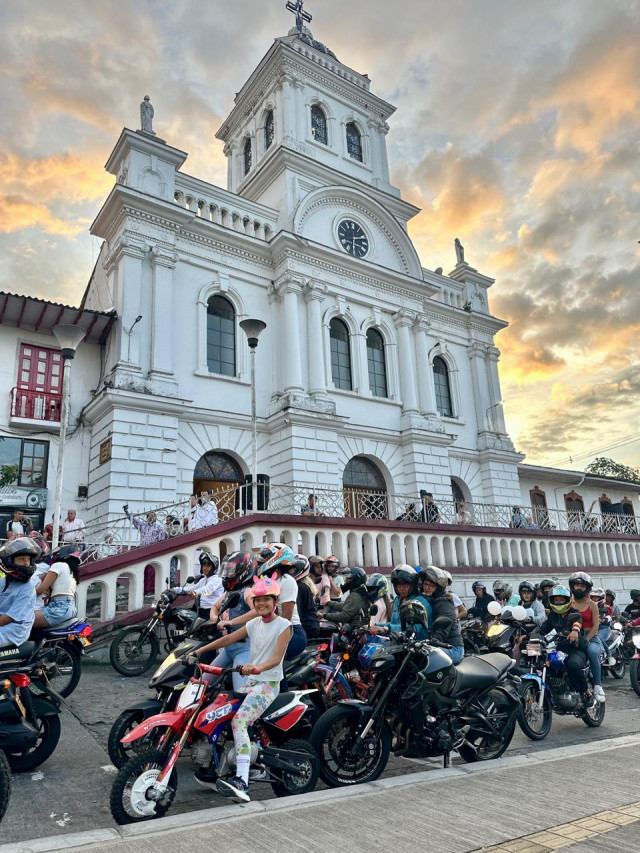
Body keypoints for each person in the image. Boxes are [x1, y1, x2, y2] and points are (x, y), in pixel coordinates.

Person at [192, 574, 292, 803]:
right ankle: (218, 769)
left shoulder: (283, 626)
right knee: (220, 710)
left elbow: (276, 659)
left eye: (266, 600)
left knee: (239, 722)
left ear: (275, 601)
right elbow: (228, 641)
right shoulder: (253, 623)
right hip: (252, 683)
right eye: (257, 600)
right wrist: (196, 652)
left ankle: (243, 782)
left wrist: (256, 667)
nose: (261, 604)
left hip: (267, 684)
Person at [203, 551, 257, 692]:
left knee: (241, 692)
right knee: (202, 684)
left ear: (243, 571)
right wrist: (214, 618)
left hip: (244, 648)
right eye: (226, 570)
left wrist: (231, 622)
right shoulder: (228, 593)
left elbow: (256, 612)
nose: (227, 574)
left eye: (231, 570)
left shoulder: (248, 591)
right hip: (228, 648)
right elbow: (214, 606)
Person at [540, 584, 593, 706]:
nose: (558, 602)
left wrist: (574, 631)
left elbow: (577, 622)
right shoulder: (553, 615)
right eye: (556, 599)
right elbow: (542, 629)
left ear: (567, 600)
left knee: (572, 665)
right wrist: (527, 637)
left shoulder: (574, 612)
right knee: (547, 665)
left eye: (561, 599)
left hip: (576, 648)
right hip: (561, 648)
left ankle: (587, 693)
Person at [258, 545, 306, 660]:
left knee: (270, 662)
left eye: (267, 557)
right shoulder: (269, 581)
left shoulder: (287, 581)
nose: (264, 560)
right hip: (274, 629)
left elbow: (286, 617)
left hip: (292, 632)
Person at [568, 571, 605, 704]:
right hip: (572, 637)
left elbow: (596, 626)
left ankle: (597, 686)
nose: (579, 588)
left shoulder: (592, 605)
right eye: (577, 585)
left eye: (582, 586)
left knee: (592, 651)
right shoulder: (568, 604)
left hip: (590, 638)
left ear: (587, 588)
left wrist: (587, 640)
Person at [370, 565, 431, 641]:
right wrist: (375, 626)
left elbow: (416, 628)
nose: (401, 588)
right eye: (398, 586)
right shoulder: (398, 600)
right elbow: (393, 624)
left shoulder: (420, 602)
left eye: (405, 585)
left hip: (419, 645)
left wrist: (386, 629)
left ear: (413, 584)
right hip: (399, 642)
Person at [417, 566, 464, 663]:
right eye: (425, 584)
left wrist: (431, 642)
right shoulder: (431, 600)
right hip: (442, 645)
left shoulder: (444, 602)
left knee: (422, 656)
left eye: (432, 585)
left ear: (438, 587)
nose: (427, 588)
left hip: (453, 648)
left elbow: (442, 629)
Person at [0, 538, 39, 648]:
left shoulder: (28, 588)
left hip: (15, 630)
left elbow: (9, 617)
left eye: (28, 559)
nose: (26, 563)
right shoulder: (2, 583)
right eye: (21, 559)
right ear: (10, 561)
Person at [32, 544, 80, 629]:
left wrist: (23, 594)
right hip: (70, 608)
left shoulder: (58, 565)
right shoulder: (71, 572)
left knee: (21, 619)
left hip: (58, 607)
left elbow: (41, 590)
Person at [173, 552, 222, 620]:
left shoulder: (217, 579)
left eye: (208, 566)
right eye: (204, 565)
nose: (205, 568)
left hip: (212, 611)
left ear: (213, 567)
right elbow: (193, 587)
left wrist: (195, 592)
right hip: (202, 611)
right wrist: (175, 589)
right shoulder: (204, 580)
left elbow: (207, 589)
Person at [292, 556, 319, 640]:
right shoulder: (303, 585)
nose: (290, 572)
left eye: (293, 569)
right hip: (310, 624)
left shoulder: (300, 587)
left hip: (306, 626)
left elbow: (298, 611)